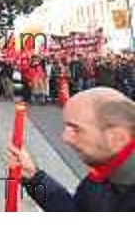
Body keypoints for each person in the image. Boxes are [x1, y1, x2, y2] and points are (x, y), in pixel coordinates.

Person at [7, 87, 135, 211]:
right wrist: (33, 177)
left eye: (76, 129)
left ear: (117, 137)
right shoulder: (102, 174)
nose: (65, 137)